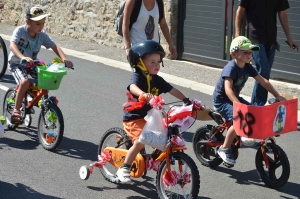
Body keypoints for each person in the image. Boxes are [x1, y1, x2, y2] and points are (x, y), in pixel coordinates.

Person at [116, 40, 189, 183]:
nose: (157, 66)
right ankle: (124, 167)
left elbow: (172, 89)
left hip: (150, 117)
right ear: (140, 63)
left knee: (168, 134)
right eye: (152, 62)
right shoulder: (138, 76)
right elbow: (132, 87)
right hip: (134, 117)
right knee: (140, 141)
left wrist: (187, 100)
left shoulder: (157, 80)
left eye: (158, 62)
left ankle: (156, 162)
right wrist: (143, 94)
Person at [212, 36, 286, 166]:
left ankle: (245, 133)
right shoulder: (231, 68)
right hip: (222, 100)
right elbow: (228, 90)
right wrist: (238, 106)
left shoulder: (248, 67)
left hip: (234, 98)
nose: (249, 55)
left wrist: (277, 95)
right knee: (239, 119)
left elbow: (263, 81)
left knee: (254, 112)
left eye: (250, 52)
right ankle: (223, 149)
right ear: (234, 54)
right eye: (245, 52)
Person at [8, 6, 73, 124]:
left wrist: (65, 59)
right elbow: (12, 45)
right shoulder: (20, 31)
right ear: (27, 22)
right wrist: (22, 57)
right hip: (17, 63)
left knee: (47, 78)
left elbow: (54, 46)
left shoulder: (41, 35)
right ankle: (16, 110)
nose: (41, 27)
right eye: (37, 24)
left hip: (32, 64)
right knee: (25, 82)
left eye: (43, 23)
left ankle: (37, 100)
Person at [235, 0, 299, 106]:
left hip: (271, 40)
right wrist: (237, 34)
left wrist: (289, 37)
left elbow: (282, 13)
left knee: (265, 73)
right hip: (255, 38)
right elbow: (240, 10)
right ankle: (257, 105)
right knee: (263, 70)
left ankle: (256, 106)